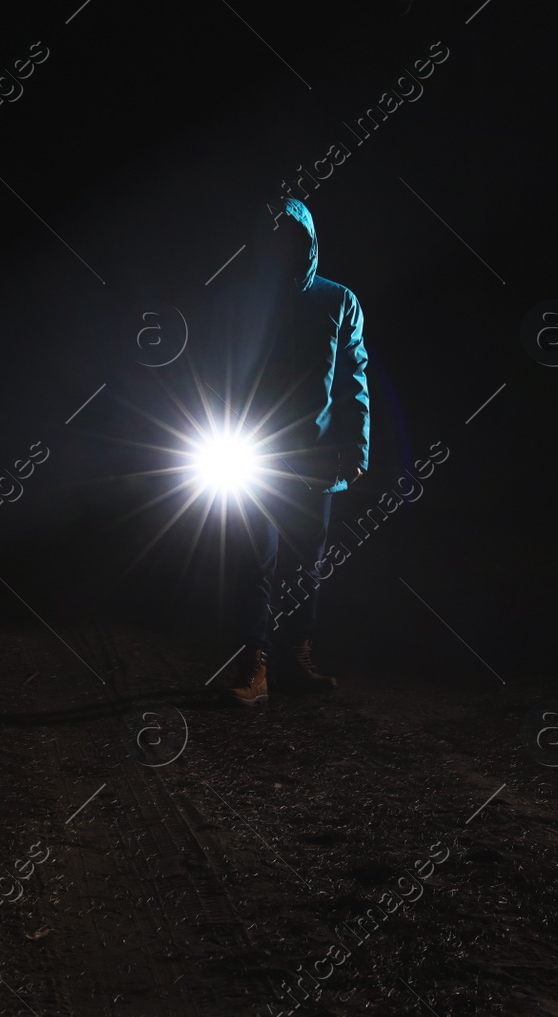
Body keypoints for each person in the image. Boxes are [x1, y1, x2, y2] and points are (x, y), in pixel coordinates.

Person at [207, 197, 370, 707]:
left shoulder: (338, 300)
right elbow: (218, 374)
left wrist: (356, 445)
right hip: (251, 452)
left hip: (313, 456)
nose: (284, 244)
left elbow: (353, 376)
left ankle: (295, 657)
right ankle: (254, 665)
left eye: (292, 236)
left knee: (306, 564)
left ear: (308, 241)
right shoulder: (239, 301)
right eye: (275, 236)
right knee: (255, 560)